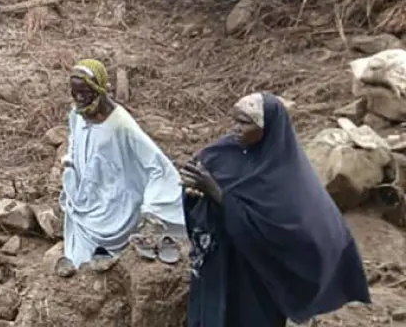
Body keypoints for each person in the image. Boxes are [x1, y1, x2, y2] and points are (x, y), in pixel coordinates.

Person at [181, 93, 370, 327]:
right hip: (221, 262)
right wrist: (192, 192)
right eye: (235, 120)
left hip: (257, 273)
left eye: (245, 123)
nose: (235, 129)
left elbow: (286, 230)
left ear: (267, 128)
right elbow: (198, 180)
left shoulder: (286, 174)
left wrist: (217, 193)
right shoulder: (224, 150)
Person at [58, 59, 184, 276]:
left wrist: (151, 208)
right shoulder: (78, 114)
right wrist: (71, 162)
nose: (79, 98)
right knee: (79, 259)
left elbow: (157, 165)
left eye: (85, 92)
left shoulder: (121, 124)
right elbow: (75, 139)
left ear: (99, 89)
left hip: (116, 203)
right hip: (87, 197)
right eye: (75, 92)